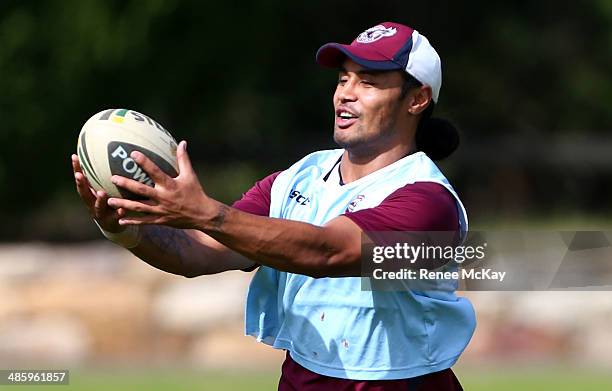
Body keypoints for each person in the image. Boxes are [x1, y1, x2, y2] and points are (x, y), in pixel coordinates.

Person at [72, 22, 475, 390]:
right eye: (343, 79)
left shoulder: (428, 200)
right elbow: (199, 250)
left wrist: (207, 213)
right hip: (302, 380)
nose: (345, 93)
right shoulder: (297, 178)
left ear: (417, 99)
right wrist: (123, 228)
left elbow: (332, 251)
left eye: (368, 82)